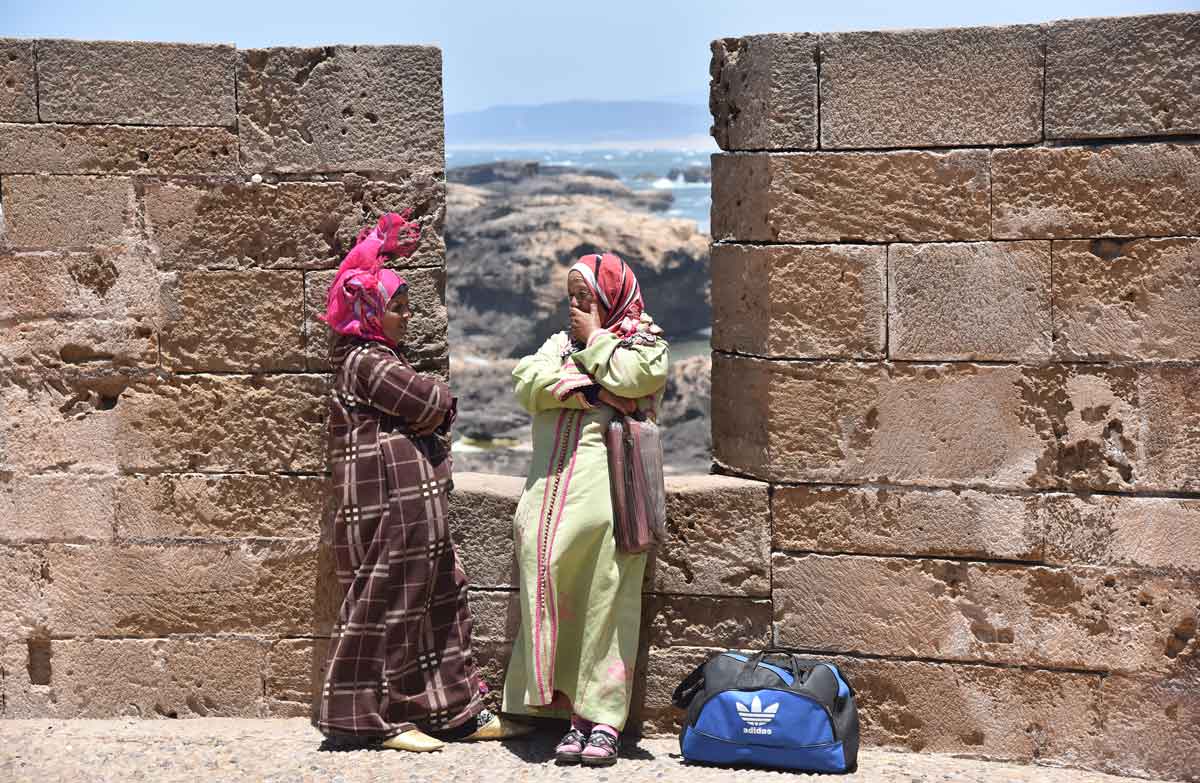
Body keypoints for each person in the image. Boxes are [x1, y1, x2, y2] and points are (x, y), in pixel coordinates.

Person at [316, 212, 528, 752]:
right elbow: (430, 401)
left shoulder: (376, 357)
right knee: (384, 605)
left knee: (438, 598)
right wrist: (436, 400)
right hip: (385, 508)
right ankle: (363, 719)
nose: (408, 317)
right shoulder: (366, 361)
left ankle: (451, 711)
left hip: (406, 508)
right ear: (369, 311)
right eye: (398, 308)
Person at [502, 252, 669, 767]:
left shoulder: (643, 339)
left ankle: (603, 720)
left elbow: (637, 376)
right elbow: (526, 381)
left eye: (586, 299)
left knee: (607, 600)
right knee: (554, 587)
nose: (575, 308)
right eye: (571, 299)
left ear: (609, 298)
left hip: (612, 498)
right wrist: (587, 389)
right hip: (551, 496)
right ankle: (569, 711)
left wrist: (596, 342)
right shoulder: (559, 344)